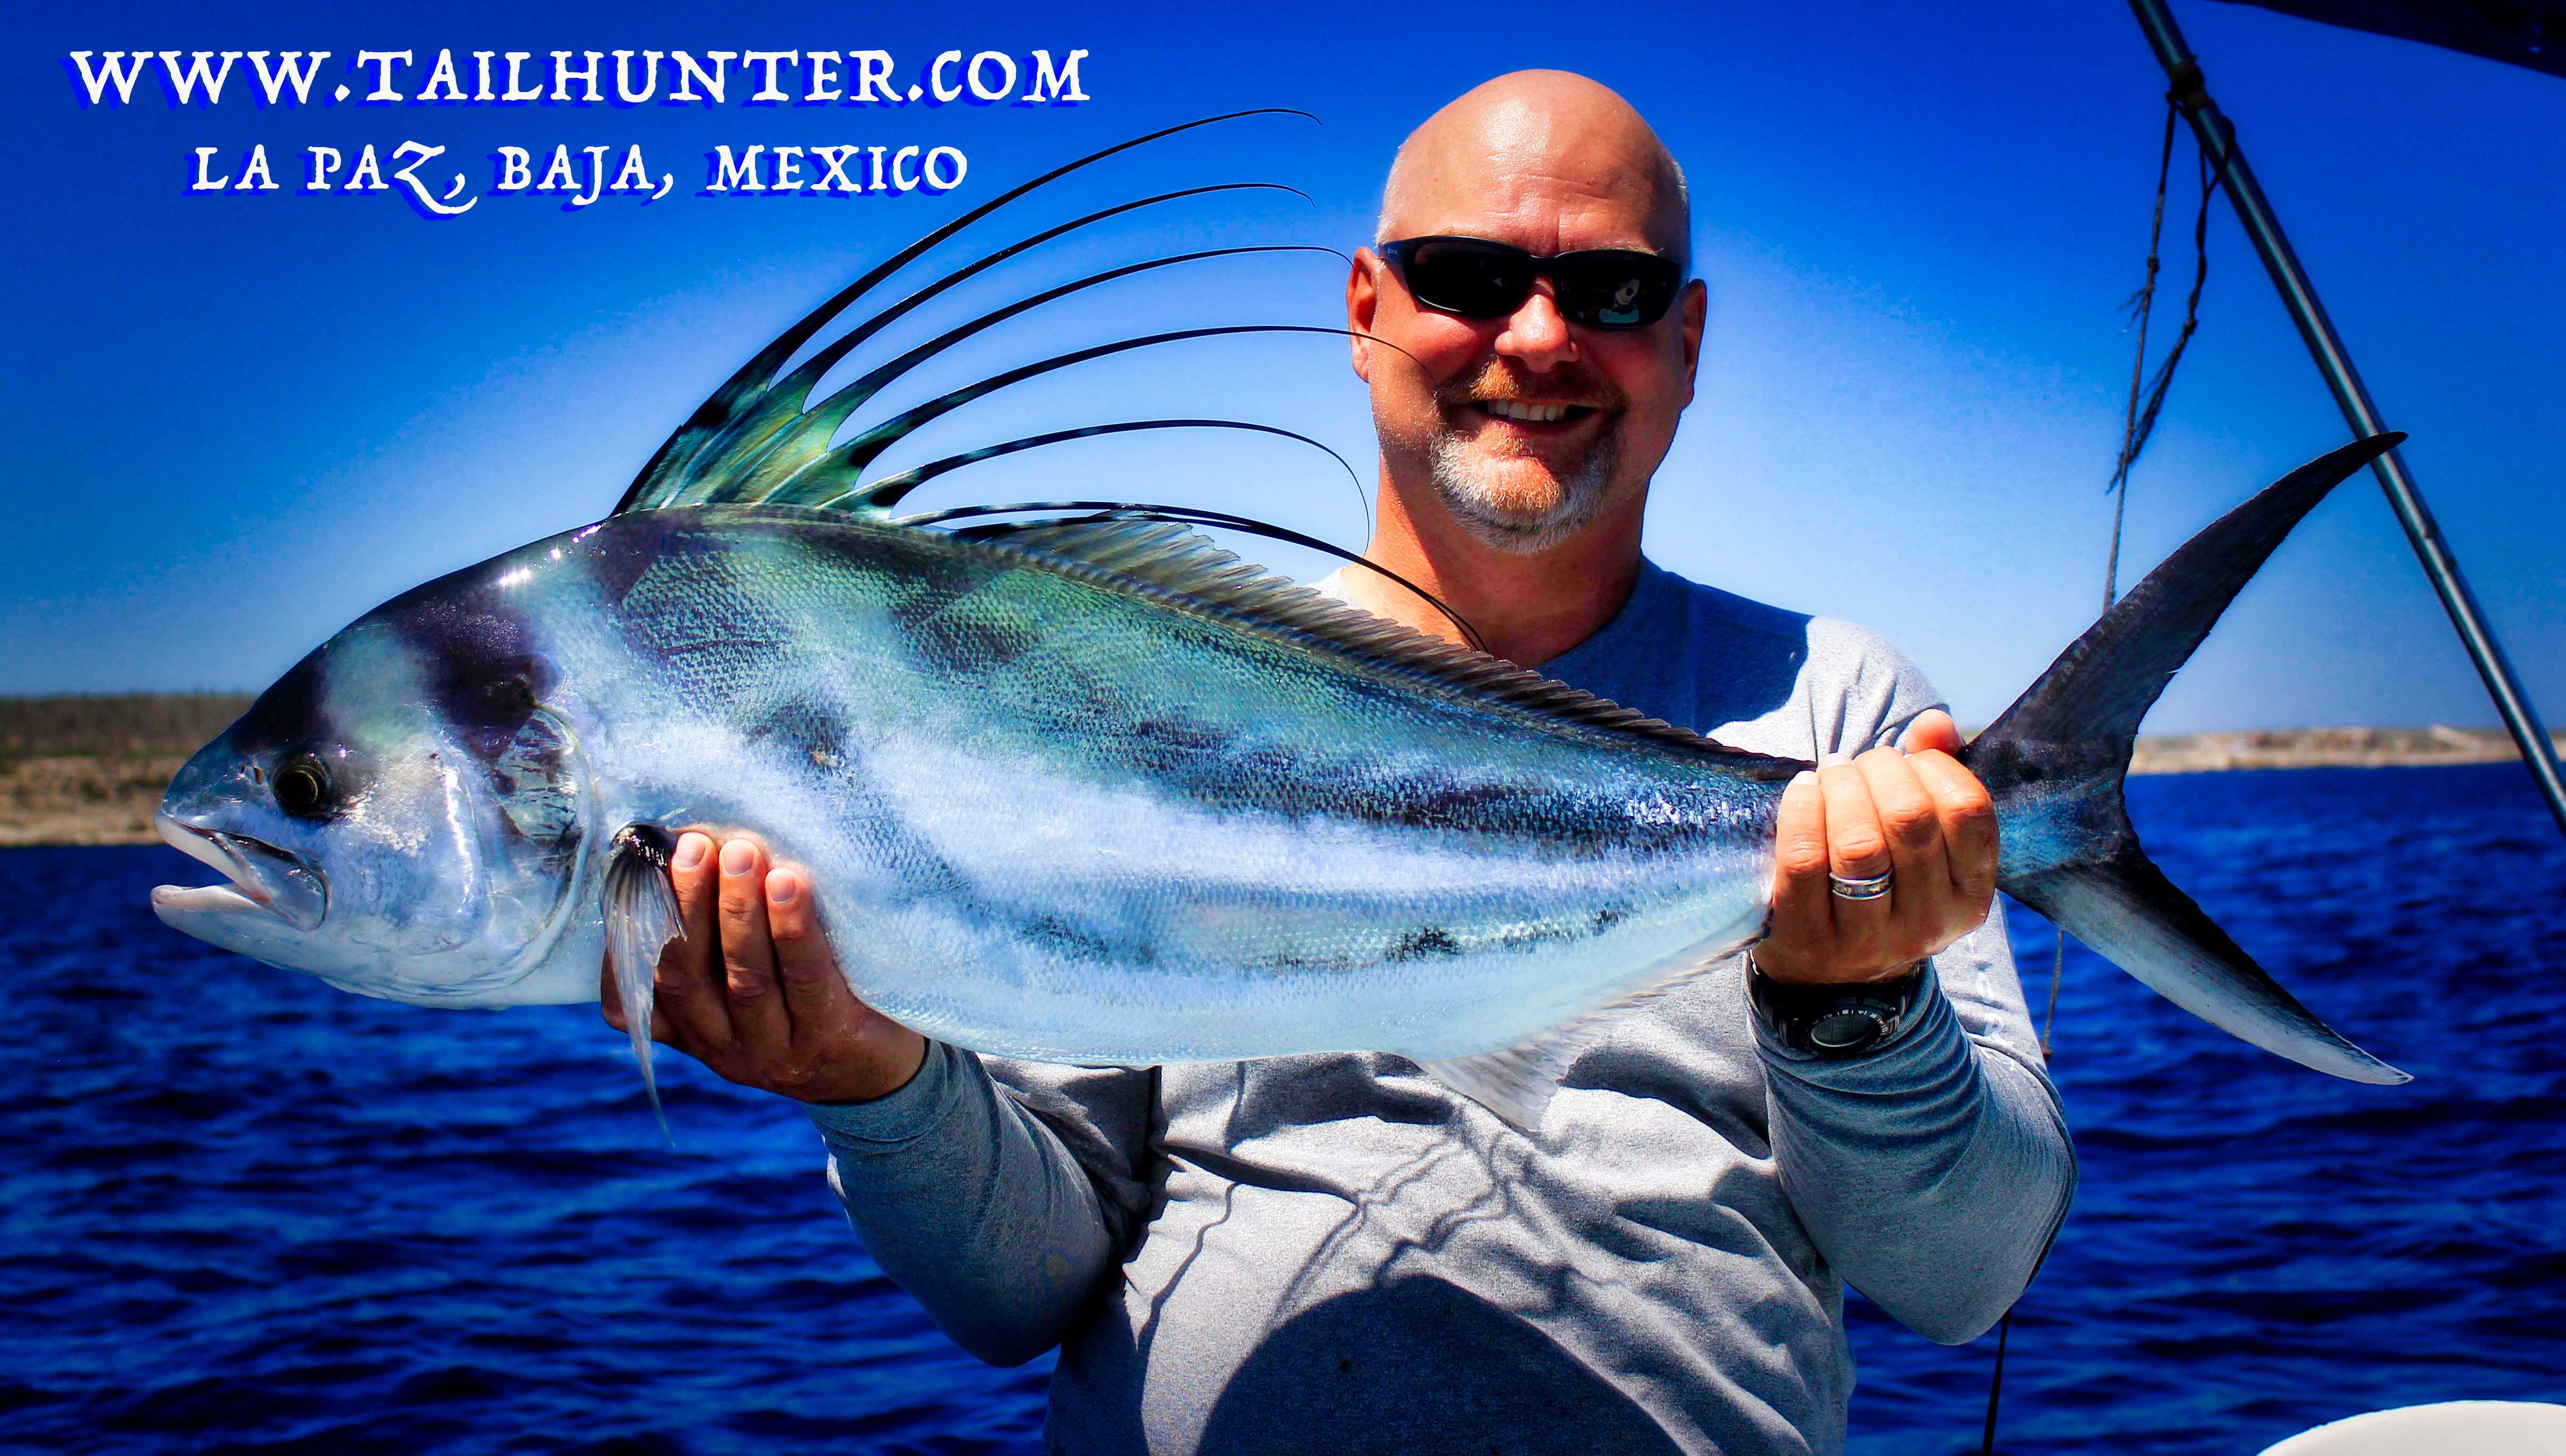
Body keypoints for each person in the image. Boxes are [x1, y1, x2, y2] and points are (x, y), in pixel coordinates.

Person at [603, 71, 2074, 1455]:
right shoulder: (1122, 692)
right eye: (1468, 278)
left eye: (1611, 291)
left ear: (1686, 341)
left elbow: (1968, 1277)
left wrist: (1852, 1009)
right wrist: (872, 1083)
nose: (1539, 338)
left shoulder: (1845, 720)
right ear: (1367, 309)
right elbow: (1018, 1295)